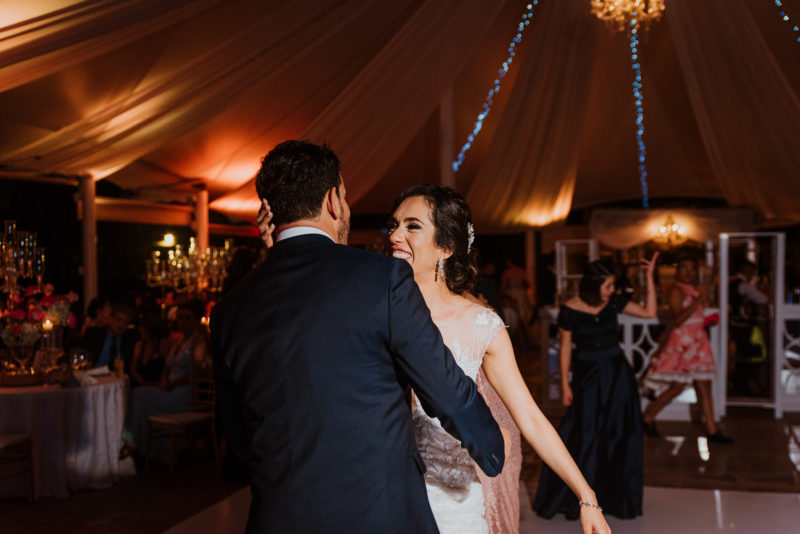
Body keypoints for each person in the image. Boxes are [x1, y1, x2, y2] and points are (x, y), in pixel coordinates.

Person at [258, 184, 610, 534]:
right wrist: (279, 254)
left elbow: (530, 418)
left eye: (412, 226)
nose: (395, 235)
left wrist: (586, 494)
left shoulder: (481, 325)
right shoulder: (366, 310)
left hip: (455, 506)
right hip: (381, 499)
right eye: (393, 225)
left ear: (446, 246)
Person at [212, 140, 507, 534]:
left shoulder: (230, 308)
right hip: (376, 513)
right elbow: (444, 386)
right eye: (346, 197)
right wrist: (489, 445)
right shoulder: (380, 278)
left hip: (277, 516)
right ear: (333, 200)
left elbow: (237, 432)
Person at [534, 256, 658, 520]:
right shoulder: (569, 309)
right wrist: (564, 383)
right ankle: (578, 498)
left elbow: (650, 313)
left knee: (619, 433)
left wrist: (649, 278)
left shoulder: (614, 302)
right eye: (608, 286)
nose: (612, 290)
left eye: (613, 285)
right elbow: (565, 347)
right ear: (593, 285)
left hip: (617, 375)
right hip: (587, 376)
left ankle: (615, 497)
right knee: (585, 434)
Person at [642, 256, 732, 443]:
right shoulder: (676, 290)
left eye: (692, 268)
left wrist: (708, 320)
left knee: (705, 387)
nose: (689, 272)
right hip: (683, 345)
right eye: (684, 268)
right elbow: (678, 320)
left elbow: (694, 318)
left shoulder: (694, 290)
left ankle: (712, 430)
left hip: (699, 343)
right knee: (677, 387)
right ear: (678, 271)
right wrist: (698, 300)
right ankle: (647, 416)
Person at [123, 300, 209, 454]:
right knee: (138, 394)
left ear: (196, 320)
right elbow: (167, 366)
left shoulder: (198, 342)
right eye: (180, 317)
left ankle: (134, 445)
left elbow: (195, 373)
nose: (182, 322)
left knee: (138, 396)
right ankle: (140, 446)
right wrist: (164, 380)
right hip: (169, 387)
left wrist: (172, 384)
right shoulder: (178, 342)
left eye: (187, 318)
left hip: (184, 392)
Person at [80, 302, 138, 373]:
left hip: (117, 380)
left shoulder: (129, 340)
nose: (121, 325)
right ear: (110, 319)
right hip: (93, 377)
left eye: (125, 322)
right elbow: (82, 357)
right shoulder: (93, 334)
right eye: (118, 320)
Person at [129, 313, 169, 388]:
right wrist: (143, 382)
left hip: (158, 386)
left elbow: (168, 367)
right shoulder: (139, 345)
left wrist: (158, 383)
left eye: (141, 327)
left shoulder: (162, 344)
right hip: (142, 385)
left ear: (148, 328)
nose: (139, 329)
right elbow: (133, 370)